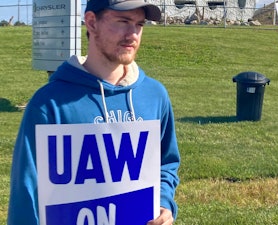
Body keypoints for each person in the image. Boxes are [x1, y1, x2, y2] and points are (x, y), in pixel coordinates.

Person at [7, 0, 180, 224]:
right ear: (91, 22)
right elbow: (26, 192)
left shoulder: (154, 95)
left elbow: (167, 163)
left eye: (139, 24)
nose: (133, 34)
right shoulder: (49, 103)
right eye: (123, 21)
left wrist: (164, 202)